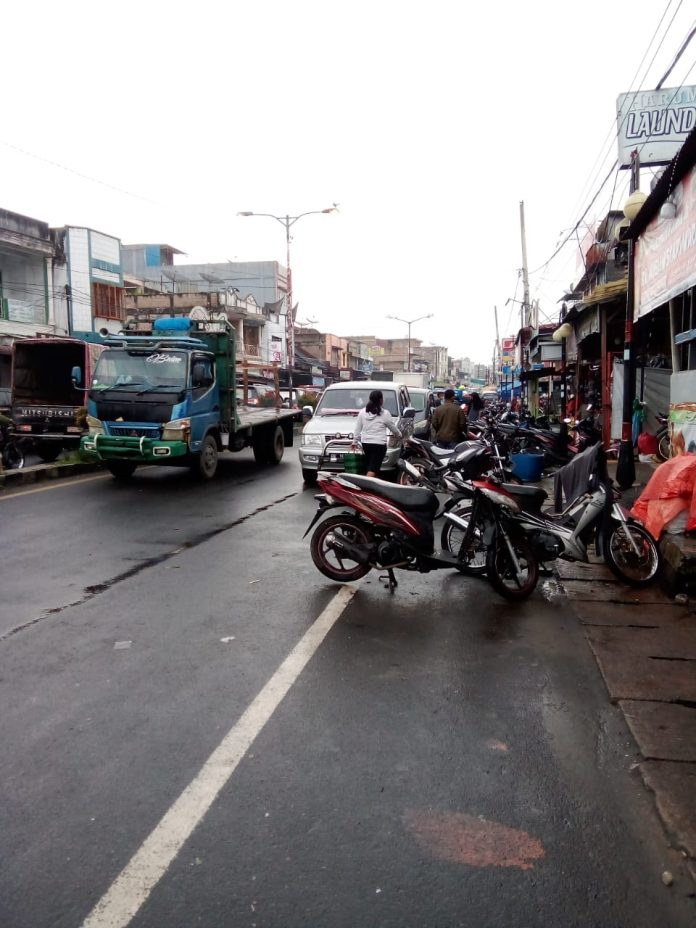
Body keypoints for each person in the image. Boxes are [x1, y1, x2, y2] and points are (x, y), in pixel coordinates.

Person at [352, 389, 401, 477]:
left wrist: (355, 441)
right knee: (373, 468)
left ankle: (372, 487)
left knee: (371, 466)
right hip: (379, 445)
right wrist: (399, 435)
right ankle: (364, 487)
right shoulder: (385, 413)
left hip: (366, 443)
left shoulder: (362, 412)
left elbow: (357, 428)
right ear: (380, 400)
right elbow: (393, 428)